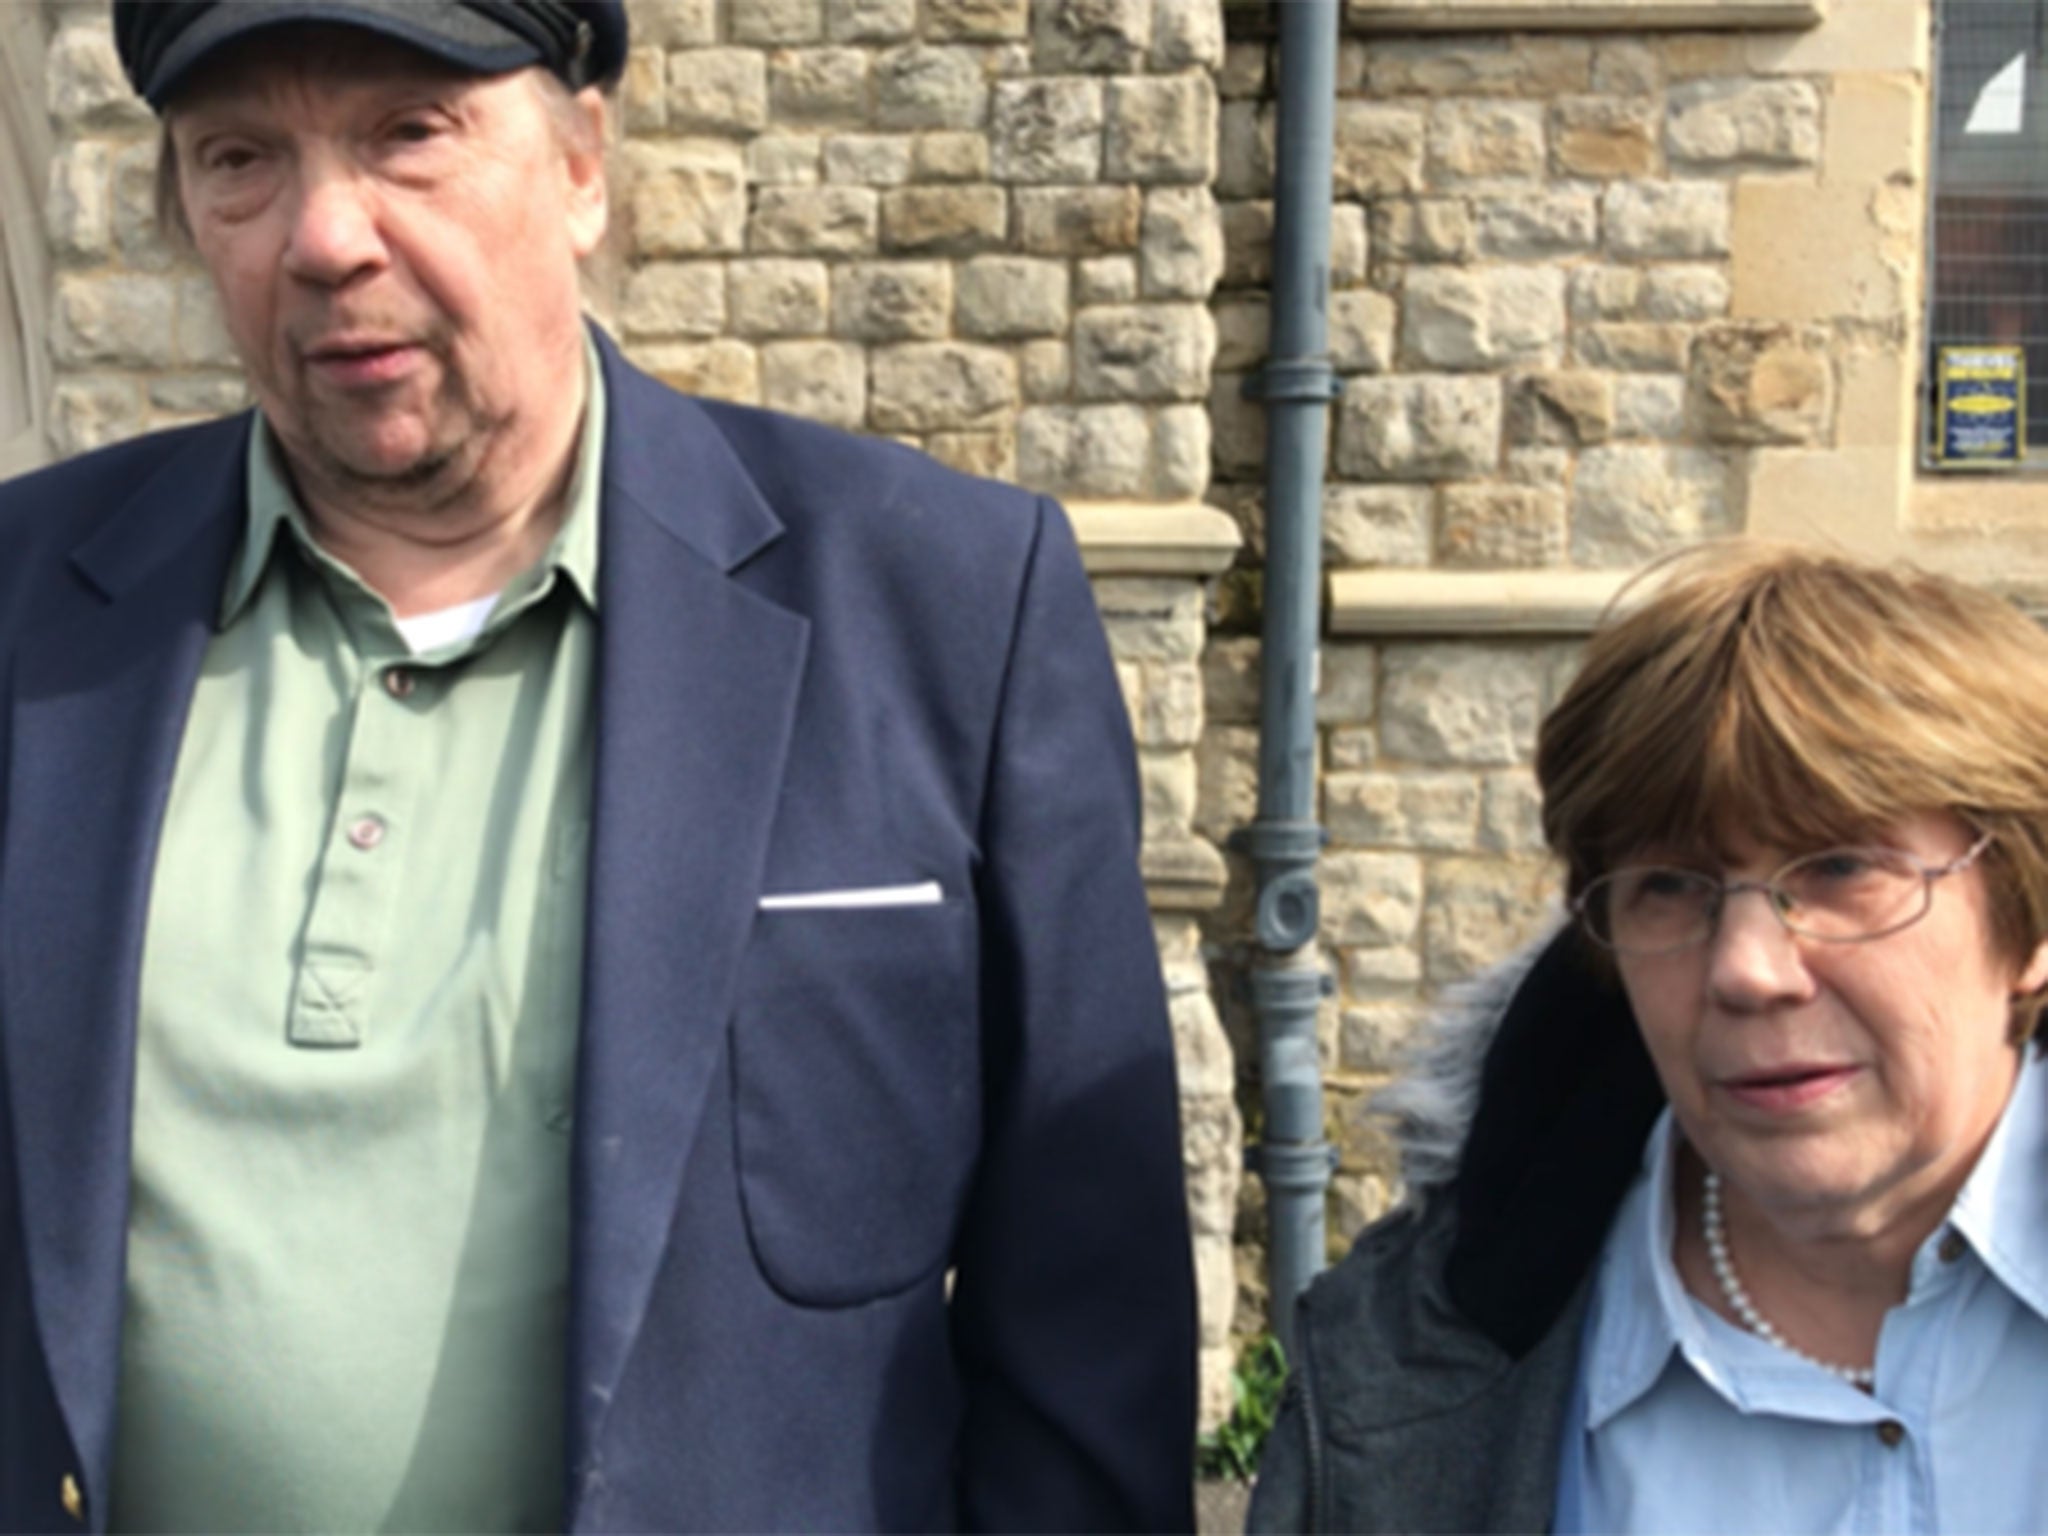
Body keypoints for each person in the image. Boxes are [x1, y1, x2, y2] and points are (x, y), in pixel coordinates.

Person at [0, 3, 1197, 1530]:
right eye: (240, 159)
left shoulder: (944, 607)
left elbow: (1087, 1347)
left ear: (582, 165)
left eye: (407, 135)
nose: (324, 236)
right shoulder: (32, 621)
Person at [1250, 541, 2048, 1533]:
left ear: (2026, 917)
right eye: (1669, 886)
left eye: (1839, 867)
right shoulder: (1404, 1372)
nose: (1746, 969)